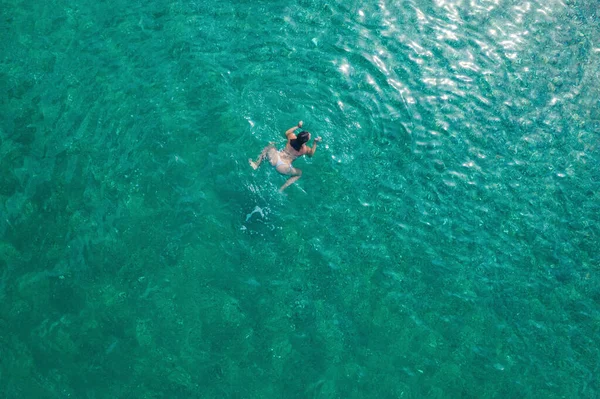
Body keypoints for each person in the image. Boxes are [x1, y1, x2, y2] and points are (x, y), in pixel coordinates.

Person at [249, 121, 322, 192]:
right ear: (305, 142)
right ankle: (281, 189)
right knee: (299, 173)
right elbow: (311, 155)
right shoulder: (305, 149)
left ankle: (257, 163)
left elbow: (286, 132)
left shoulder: (291, 137)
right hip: (282, 167)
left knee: (271, 144)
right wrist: (315, 143)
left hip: (275, 157)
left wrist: (298, 126)